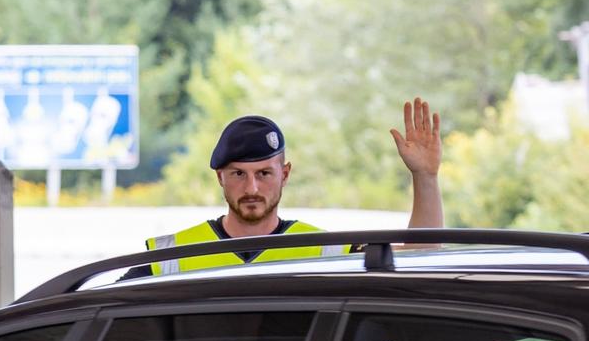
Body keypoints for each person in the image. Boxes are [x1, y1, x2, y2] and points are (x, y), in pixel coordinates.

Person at [130, 98, 443, 276]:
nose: (252, 187)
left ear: (285, 174)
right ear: (219, 177)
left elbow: (419, 260)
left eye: (264, 173)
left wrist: (425, 178)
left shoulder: (325, 252)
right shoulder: (170, 257)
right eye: (238, 174)